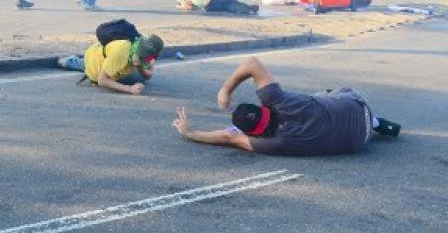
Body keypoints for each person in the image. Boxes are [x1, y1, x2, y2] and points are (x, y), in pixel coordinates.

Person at [172, 57, 401, 155]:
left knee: (323, 100)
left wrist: (190, 133)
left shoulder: (274, 143)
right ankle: (378, 122)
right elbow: (252, 63)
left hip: (358, 142)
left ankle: (377, 125)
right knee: (324, 96)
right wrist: (226, 89)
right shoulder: (278, 101)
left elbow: (228, 138)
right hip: (358, 107)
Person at [59, 34, 164, 95]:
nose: (150, 60)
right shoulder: (121, 54)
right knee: (92, 69)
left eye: (152, 58)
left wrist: (139, 65)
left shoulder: (142, 52)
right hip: (95, 62)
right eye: (149, 58)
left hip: (114, 63)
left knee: (141, 79)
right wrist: (129, 89)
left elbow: (148, 75)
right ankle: (71, 62)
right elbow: (102, 80)